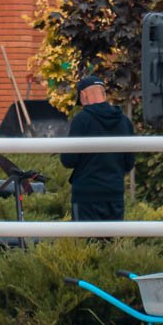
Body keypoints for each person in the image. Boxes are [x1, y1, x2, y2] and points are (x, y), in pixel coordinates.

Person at [60, 75, 135, 222]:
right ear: (104, 94)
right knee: (112, 237)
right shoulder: (124, 122)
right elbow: (129, 163)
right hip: (114, 194)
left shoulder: (81, 120)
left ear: (83, 95)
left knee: (85, 237)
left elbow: (68, 160)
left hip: (86, 195)